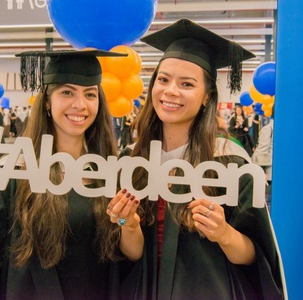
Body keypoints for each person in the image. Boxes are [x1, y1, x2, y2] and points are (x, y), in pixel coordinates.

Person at [0, 49, 144, 299]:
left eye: (90, 94)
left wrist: (129, 224)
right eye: (67, 92)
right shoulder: (13, 172)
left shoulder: (111, 172)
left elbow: (132, 256)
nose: (80, 104)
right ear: (48, 102)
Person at [121, 18, 284, 299]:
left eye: (187, 84)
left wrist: (223, 233)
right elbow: (126, 256)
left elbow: (253, 256)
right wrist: (127, 224)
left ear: (207, 96)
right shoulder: (132, 160)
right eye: (163, 79)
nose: (171, 91)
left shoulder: (229, 162)